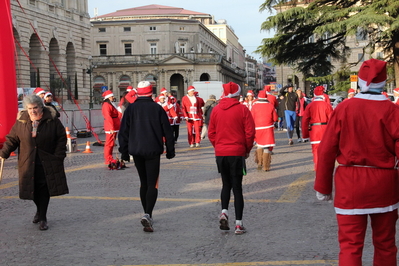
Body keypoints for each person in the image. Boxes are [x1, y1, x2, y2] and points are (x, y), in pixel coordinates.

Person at [315, 59, 399, 266]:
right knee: (386, 244)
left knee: (350, 246)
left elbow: (326, 150)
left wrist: (323, 187)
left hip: (350, 184)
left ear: (359, 82)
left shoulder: (344, 108)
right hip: (385, 184)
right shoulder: (392, 110)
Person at [0, 94, 68, 231]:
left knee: (44, 188)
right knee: (31, 188)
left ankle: (43, 217)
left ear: (41, 107)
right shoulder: (22, 121)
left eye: (35, 107)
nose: (33, 111)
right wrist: (4, 153)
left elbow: (61, 138)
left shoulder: (52, 120)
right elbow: (12, 139)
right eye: (30, 108)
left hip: (47, 160)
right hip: (28, 161)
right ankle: (39, 210)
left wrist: (58, 155)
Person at [119, 81, 175, 233]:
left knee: (143, 183)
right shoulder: (157, 108)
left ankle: (146, 213)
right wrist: (170, 150)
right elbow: (167, 131)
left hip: (136, 150)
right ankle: (148, 214)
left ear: (138, 92)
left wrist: (123, 151)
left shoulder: (131, 109)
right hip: (153, 150)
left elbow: (123, 131)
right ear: (151, 92)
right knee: (152, 184)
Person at [208, 81, 255, 235]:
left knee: (225, 184)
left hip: (221, 153)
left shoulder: (215, 110)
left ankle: (224, 211)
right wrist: (246, 149)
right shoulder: (242, 109)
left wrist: (219, 146)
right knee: (237, 187)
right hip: (237, 152)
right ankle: (239, 224)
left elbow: (211, 133)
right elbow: (250, 133)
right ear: (237, 94)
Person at [301, 86, 333, 171]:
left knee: (315, 150)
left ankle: (318, 167)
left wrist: (305, 134)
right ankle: (324, 167)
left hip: (314, 130)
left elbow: (304, 121)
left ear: (314, 94)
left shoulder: (310, 106)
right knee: (326, 150)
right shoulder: (327, 106)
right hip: (325, 130)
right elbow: (332, 121)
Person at [251, 90, 278, 171]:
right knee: (266, 147)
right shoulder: (270, 106)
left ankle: (259, 162)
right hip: (268, 128)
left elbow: (251, 118)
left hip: (257, 128)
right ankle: (266, 166)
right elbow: (275, 118)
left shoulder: (254, 106)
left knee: (259, 145)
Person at [101, 90, 121, 165]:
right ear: (108, 97)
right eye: (112, 96)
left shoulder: (110, 104)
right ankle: (108, 158)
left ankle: (110, 157)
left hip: (114, 125)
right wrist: (111, 127)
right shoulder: (106, 105)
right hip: (111, 126)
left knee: (112, 143)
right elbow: (108, 116)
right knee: (109, 143)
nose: (113, 97)